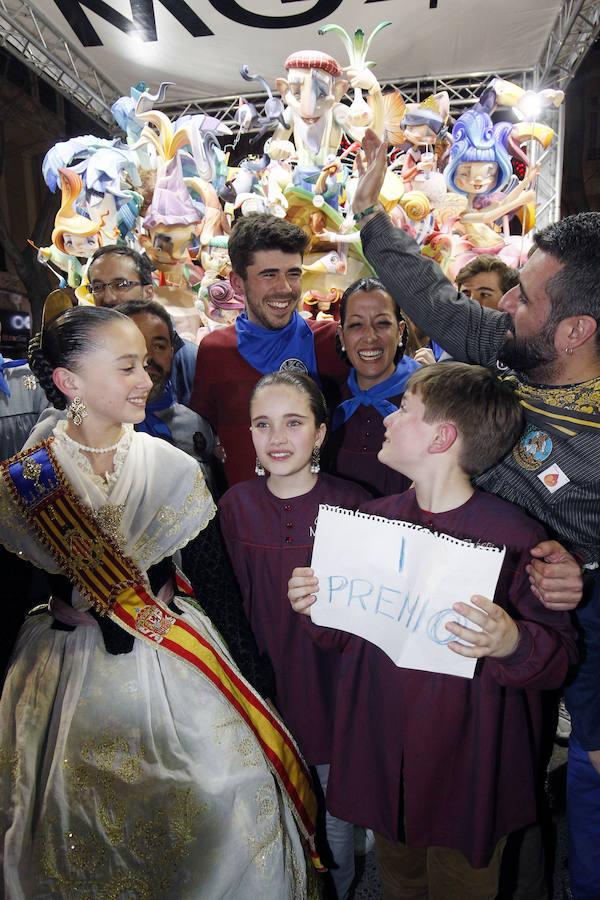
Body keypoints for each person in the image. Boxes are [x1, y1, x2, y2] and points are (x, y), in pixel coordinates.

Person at [0, 303, 319, 898]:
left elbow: (218, 588)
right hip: (62, 675)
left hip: (172, 657)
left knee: (221, 800)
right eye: (126, 367)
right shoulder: (21, 483)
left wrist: (256, 682)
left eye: (146, 365)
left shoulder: (174, 467)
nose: (147, 380)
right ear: (70, 383)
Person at [289, 363, 578, 900]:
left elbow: (559, 657)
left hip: (466, 763)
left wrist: (513, 642)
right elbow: (341, 640)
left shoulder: (515, 538)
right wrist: (315, 608)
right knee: (399, 878)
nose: (390, 420)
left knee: (465, 882)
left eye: (405, 411)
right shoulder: (371, 521)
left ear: (442, 437)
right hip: (383, 749)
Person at [220, 371, 370, 899]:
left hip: (333, 690)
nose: (277, 437)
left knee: (334, 816)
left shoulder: (353, 505)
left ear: (321, 433)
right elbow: (227, 604)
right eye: (263, 424)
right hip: (263, 687)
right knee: (272, 810)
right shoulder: (234, 506)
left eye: (293, 422)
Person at [189, 213, 348, 486]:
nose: (285, 288)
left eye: (293, 273)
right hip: (242, 517)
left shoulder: (332, 342)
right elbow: (205, 438)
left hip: (322, 516)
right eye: (269, 275)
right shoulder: (215, 352)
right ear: (237, 282)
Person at [327, 277, 421, 497]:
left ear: (400, 331)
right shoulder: (327, 397)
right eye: (356, 325)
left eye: (382, 323)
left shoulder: (430, 399)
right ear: (341, 335)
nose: (370, 337)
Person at [87, 245, 198, 405]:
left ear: (148, 293)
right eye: (98, 287)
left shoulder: (186, 358)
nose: (108, 298)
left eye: (121, 285)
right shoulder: (84, 358)